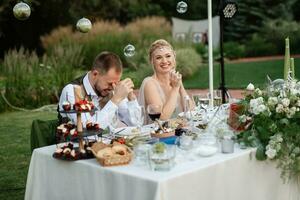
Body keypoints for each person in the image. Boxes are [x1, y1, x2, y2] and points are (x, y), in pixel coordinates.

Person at [58, 51, 139, 129]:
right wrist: (115, 100)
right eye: (109, 83)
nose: (113, 87)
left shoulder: (111, 89)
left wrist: (131, 98)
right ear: (95, 74)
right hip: (76, 143)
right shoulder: (72, 90)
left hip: (108, 142)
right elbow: (86, 130)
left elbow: (136, 124)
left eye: (116, 83)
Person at [138, 39, 194, 123]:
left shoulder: (175, 81)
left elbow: (191, 111)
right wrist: (175, 89)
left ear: (174, 58)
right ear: (152, 61)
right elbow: (162, 118)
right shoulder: (149, 83)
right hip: (158, 134)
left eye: (168, 56)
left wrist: (180, 86)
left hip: (178, 132)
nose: (164, 61)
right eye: (158, 57)